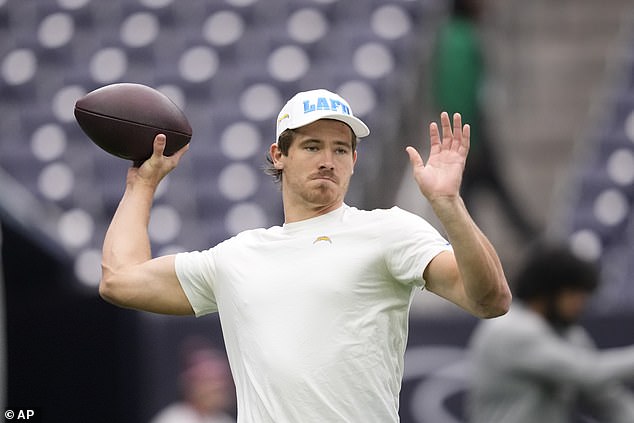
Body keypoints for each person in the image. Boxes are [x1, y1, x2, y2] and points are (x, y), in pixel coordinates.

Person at [99, 88, 511, 422]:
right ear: (279, 155)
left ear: (354, 159)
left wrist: (449, 205)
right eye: (312, 147)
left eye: (340, 149)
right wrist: (142, 183)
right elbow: (119, 280)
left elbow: (490, 299)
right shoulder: (238, 256)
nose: (328, 162)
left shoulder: (388, 230)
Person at [466, 242, 634, 423]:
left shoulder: (570, 334)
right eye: (574, 294)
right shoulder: (510, 330)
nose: (581, 304)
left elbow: (606, 397)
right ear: (547, 291)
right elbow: (590, 372)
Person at [432, 0, 535, 239]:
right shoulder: (462, 40)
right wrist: (469, 138)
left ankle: (522, 236)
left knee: (480, 190)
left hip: (469, 131)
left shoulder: (452, 36)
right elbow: (460, 92)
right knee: (474, 191)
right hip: (469, 133)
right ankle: (525, 237)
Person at [150, 337, 235, 423]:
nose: (218, 387)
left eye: (221, 381)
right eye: (209, 381)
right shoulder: (172, 419)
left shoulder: (225, 420)